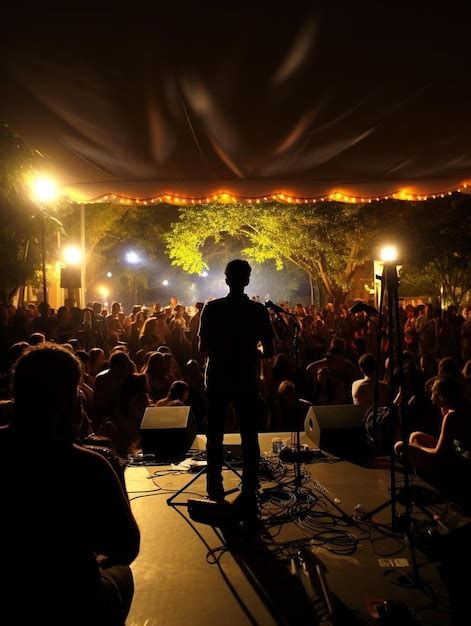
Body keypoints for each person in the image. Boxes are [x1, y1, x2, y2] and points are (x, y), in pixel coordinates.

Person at [0, 343, 140, 624]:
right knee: (122, 573)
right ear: (70, 401)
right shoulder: (88, 465)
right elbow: (126, 547)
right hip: (73, 602)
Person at [198, 259, 274, 520]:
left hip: (218, 377)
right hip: (246, 378)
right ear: (248, 280)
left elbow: (202, 348)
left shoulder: (212, 308)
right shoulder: (258, 311)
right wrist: (252, 349)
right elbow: (270, 350)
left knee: (214, 435)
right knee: (249, 436)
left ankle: (214, 487)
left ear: (226, 279)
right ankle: (250, 487)